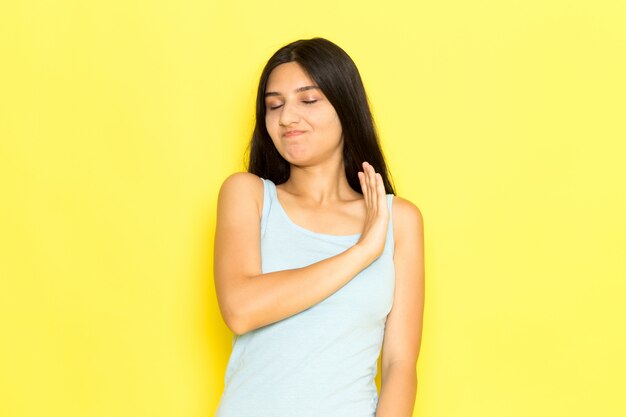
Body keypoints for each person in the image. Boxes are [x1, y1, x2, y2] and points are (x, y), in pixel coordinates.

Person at [213, 37, 424, 417]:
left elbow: (400, 365)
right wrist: (361, 252)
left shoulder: (399, 221)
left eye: (308, 100)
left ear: (346, 107)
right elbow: (241, 309)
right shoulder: (249, 196)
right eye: (274, 105)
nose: (287, 117)